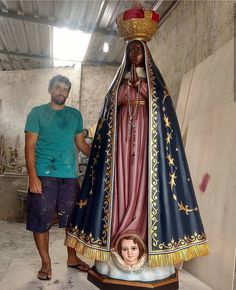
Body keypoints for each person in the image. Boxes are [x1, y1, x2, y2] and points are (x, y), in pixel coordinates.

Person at [66, 7, 209, 279]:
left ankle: (144, 237)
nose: (134, 55)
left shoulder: (156, 84)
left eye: (138, 51)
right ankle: (117, 234)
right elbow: (110, 110)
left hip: (147, 146)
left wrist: (140, 87)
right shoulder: (117, 84)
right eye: (131, 51)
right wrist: (125, 90)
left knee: (143, 185)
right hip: (121, 144)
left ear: (146, 54)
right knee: (121, 184)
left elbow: (162, 112)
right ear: (126, 55)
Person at [24, 75, 90, 280]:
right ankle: (46, 262)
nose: (61, 92)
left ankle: (72, 257)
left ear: (68, 92)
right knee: (41, 220)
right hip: (44, 175)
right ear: (50, 89)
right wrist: (32, 177)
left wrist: (102, 155)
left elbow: (81, 144)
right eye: (58, 88)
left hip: (69, 176)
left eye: (65, 89)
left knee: (72, 221)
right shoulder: (37, 113)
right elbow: (29, 146)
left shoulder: (75, 115)